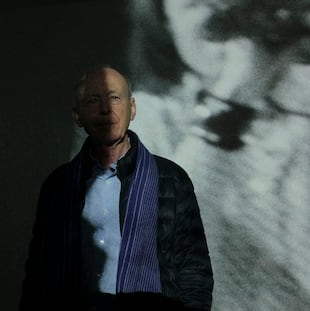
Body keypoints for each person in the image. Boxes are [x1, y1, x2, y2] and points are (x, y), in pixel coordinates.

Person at [124, 1, 310, 310]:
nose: (223, 13)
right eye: (196, 3)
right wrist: (233, 98)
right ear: (163, 19)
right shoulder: (142, 127)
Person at [19, 65, 214, 310]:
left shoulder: (171, 178)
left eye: (115, 98)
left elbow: (195, 269)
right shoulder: (59, 184)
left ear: (132, 108)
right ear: (78, 115)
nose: (105, 110)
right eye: (93, 100)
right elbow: (39, 273)